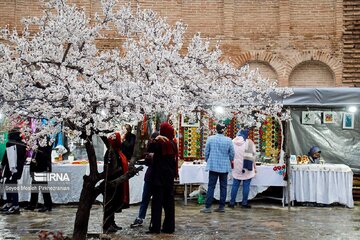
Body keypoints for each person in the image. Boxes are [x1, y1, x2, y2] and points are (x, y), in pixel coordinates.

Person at [147, 122, 177, 234]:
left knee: (157, 204)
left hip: (158, 178)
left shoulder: (160, 142)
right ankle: (169, 227)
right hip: (169, 178)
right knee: (169, 204)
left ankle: (155, 228)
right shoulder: (173, 143)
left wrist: (156, 139)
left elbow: (149, 148)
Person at [200, 123, 235, 213]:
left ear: (216, 130)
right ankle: (221, 207)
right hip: (224, 167)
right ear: (224, 130)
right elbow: (232, 154)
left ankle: (208, 207)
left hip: (213, 166)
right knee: (223, 187)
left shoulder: (210, 139)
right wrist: (229, 160)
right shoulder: (229, 140)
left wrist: (208, 160)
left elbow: (206, 152)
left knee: (211, 186)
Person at [130, 131, 159, 228]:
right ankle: (142, 218)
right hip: (152, 176)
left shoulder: (159, 149)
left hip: (153, 177)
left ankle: (147, 219)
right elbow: (146, 160)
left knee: (147, 199)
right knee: (146, 198)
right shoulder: (151, 147)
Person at [103, 132, 130, 233]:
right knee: (110, 203)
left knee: (113, 204)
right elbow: (109, 170)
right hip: (112, 183)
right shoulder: (110, 153)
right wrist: (119, 170)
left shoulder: (117, 151)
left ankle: (112, 222)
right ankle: (107, 224)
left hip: (117, 182)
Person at [0, 127, 27, 214]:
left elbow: (7, 156)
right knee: (12, 185)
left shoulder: (10, 143)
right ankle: (11, 204)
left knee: (10, 185)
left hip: (10, 168)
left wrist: (2, 165)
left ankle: (14, 205)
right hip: (18, 168)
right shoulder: (23, 144)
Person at [228, 129, 257, 209]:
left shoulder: (232, 142)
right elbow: (254, 155)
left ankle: (232, 202)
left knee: (235, 185)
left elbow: (230, 154)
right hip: (246, 166)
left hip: (236, 166)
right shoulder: (249, 142)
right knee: (246, 185)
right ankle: (244, 203)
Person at [24, 142, 53, 212]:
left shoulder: (45, 145)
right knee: (34, 188)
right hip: (36, 168)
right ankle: (33, 204)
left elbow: (44, 156)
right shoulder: (38, 145)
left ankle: (47, 205)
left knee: (44, 188)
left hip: (41, 168)